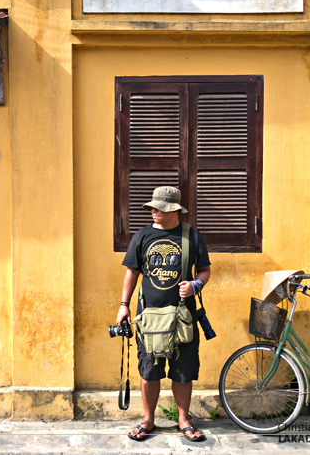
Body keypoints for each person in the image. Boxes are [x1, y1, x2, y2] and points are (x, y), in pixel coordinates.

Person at [116, 186, 211, 442]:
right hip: (150, 317)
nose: (153, 211)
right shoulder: (142, 236)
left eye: (159, 207)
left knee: (183, 370)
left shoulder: (192, 235)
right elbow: (132, 272)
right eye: (152, 207)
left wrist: (195, 285)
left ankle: (183, 419)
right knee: (149, 369)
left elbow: (204, 270)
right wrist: (124, 306)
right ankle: (148, 419)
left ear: (173, 210)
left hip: (183, 318)